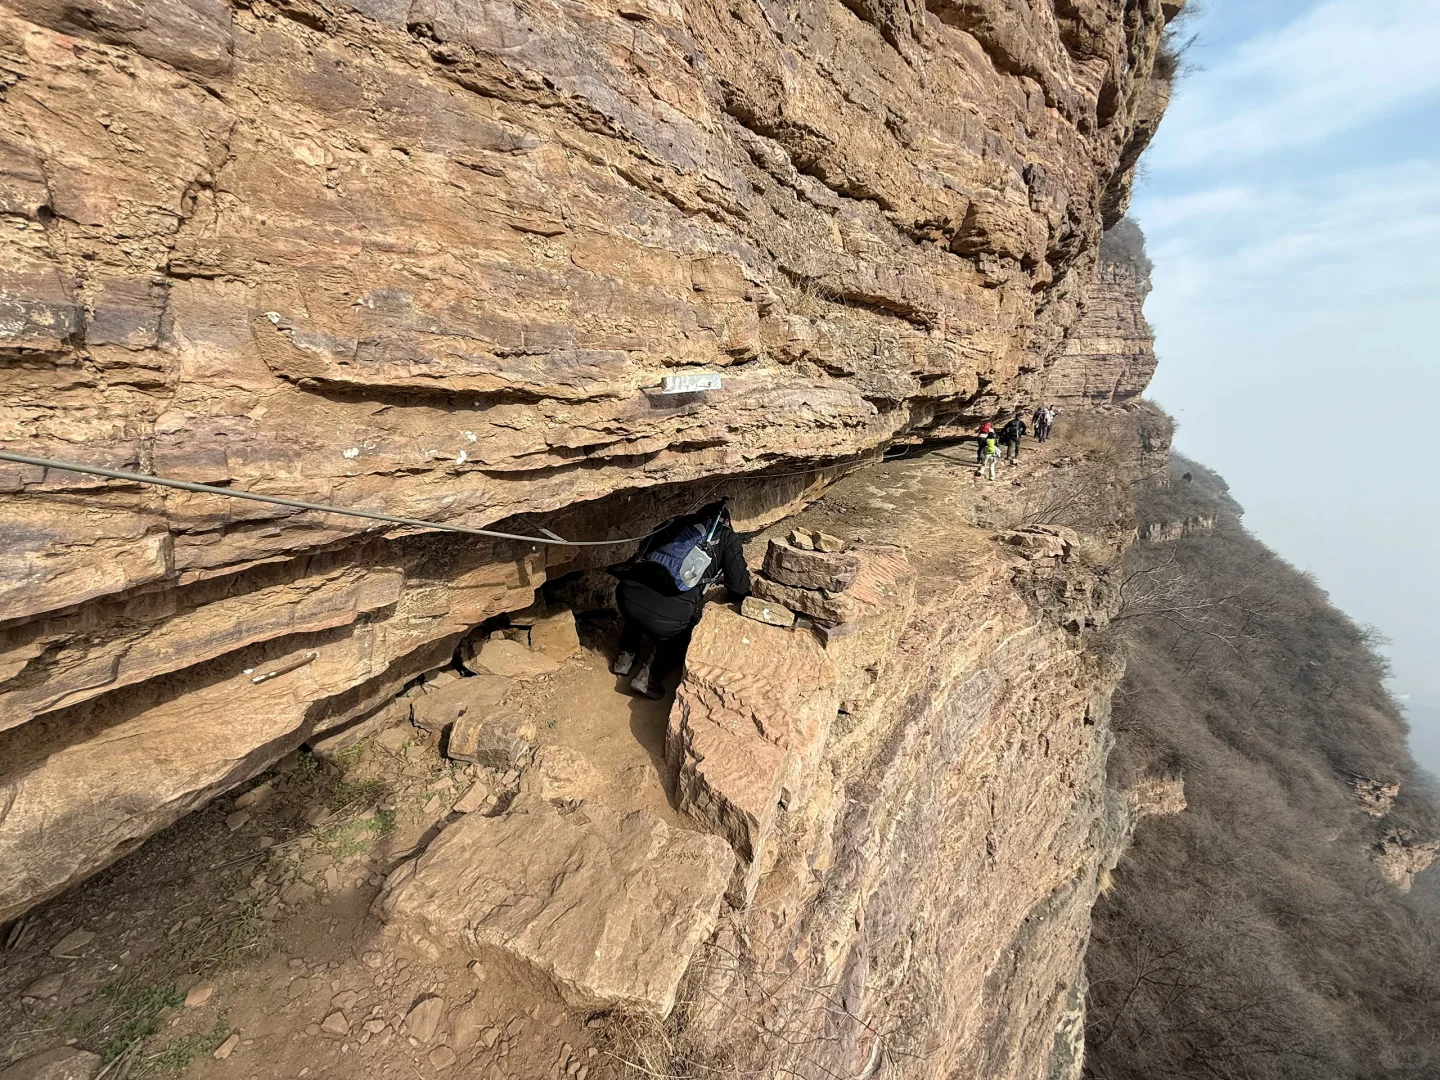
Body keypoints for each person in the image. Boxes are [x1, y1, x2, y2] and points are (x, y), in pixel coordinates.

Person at [610, 501, 750, 698]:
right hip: (667, 619)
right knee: (682, 629)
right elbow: (739, 587)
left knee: (646, 597)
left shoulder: (679, 521)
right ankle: (649, 677)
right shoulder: (726, 537)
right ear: (726, 522)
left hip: (627, 596)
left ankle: (624, 658)